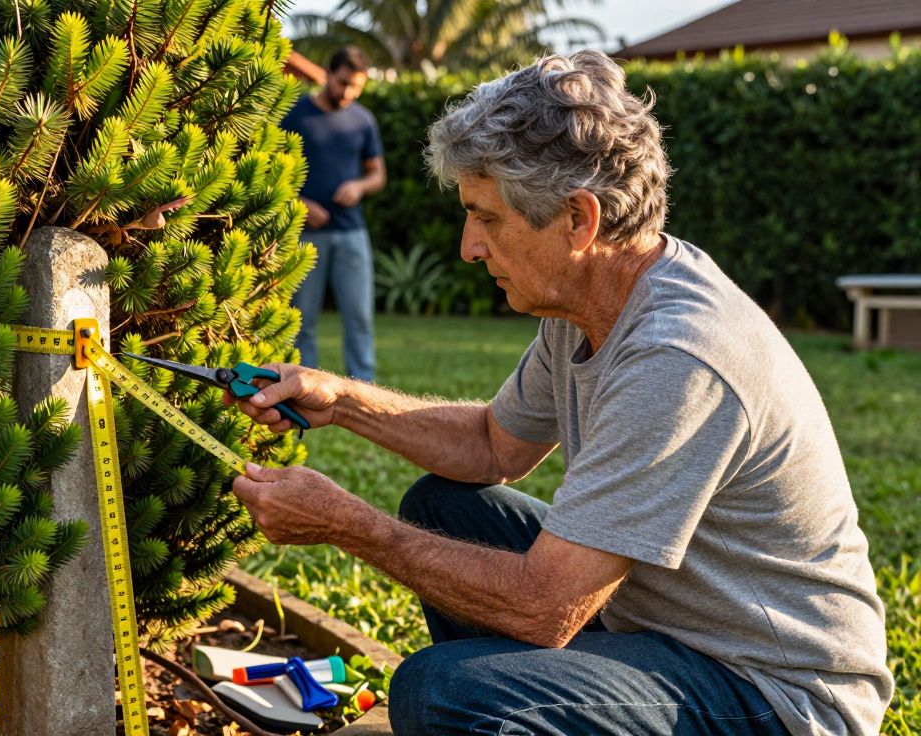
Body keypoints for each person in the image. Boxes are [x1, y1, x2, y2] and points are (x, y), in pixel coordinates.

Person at [228, 51, 892, 736]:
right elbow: (492, 447)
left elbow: (548, 607)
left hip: (776, 695)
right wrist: (338, 400)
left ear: (579, 219)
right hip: (662, 626)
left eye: (486, 218)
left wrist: (347, 525)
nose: (468, 247)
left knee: (439, 692)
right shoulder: (588, 302)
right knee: (445, 507)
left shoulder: (678, 356)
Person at [279, 45, 387, 382]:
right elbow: (273, 170)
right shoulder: (295, 114)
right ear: (328, 74)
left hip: (352, 232)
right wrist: (300, 203)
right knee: (303, 319)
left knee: (359, 316)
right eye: (343, 83)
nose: (348, 93)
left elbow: (377, 175)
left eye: (356, 86)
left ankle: (363, 385)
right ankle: (303, 385)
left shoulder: (363, 120)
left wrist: (359, 186)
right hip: (305, 235)